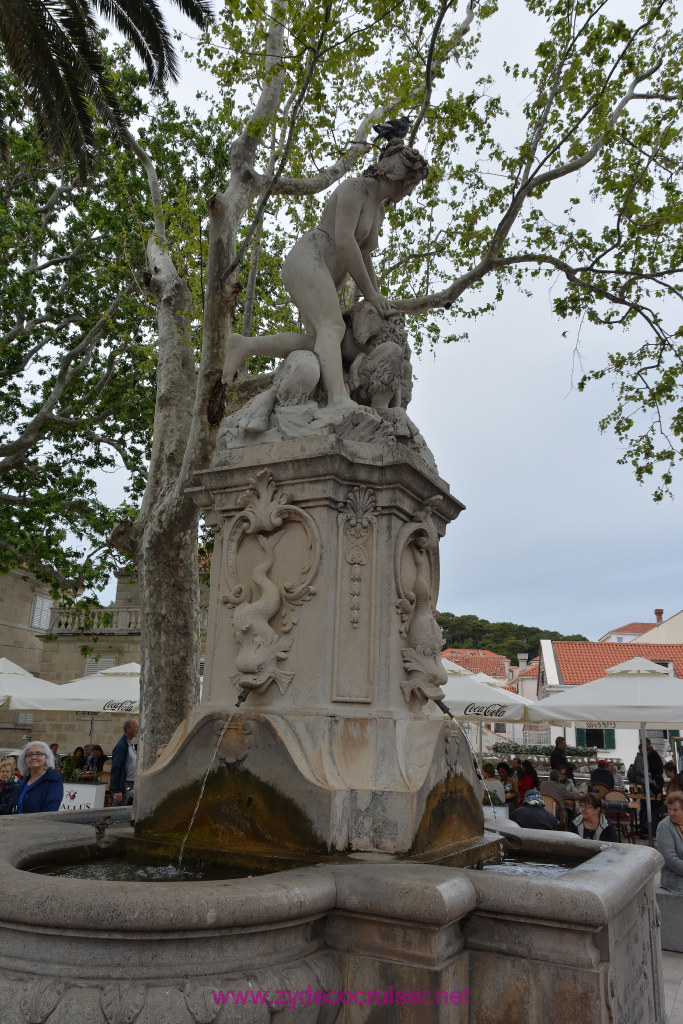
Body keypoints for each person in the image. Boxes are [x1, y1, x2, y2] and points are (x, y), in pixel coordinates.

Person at [222, 139, 430, 413]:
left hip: (330, 275)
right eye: (412, 184)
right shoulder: (355, 188)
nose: (411, 191)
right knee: (333, 328)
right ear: (400, 177)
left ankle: (245, 345)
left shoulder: (379, 209)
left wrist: (376, 299)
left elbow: (364, 254)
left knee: (321, 341)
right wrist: (369, 293)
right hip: (310, 258)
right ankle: (337, 398)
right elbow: (344, 241)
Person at [4, 742, 63, 814]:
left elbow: (49, 811)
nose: (33, 757)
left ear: (46, 757)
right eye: (29, 754)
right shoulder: (23, 781)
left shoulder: (53, 780)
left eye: (38, 754)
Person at [656, 791, 683, 894]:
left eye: (675, 810)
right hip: (675, 879)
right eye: (669, 809)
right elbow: (670, 859)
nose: (671, 813)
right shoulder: (664, 827)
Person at [110, 718, 138, 805]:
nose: (137, 729)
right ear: (128, 728)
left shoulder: (130, 744)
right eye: (136, 727)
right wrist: (117, 790)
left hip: (131, 784)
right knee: (118, 811)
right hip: (124, 786)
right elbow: (116, 767)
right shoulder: (121, 746)